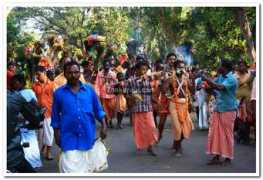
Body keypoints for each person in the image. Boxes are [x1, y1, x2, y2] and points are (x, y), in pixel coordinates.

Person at [51, 61, 107, 173]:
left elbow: (98, 110)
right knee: (70, 171)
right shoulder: (59, 93)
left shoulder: (89, 90)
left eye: (76, 72)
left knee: (87, 171)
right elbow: (55, 117)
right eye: (70, 72)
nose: (73, 75)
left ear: (80, 73)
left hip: (88, 137)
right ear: (65, 74)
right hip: (68, 139)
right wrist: (57, 136)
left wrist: (104, 126)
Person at [203, 59, 238, 166]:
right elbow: (213, 88)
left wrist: (206, 78)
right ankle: (216, 156)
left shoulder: (232, 79)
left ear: (225, 68)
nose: (218, 67)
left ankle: (228, 158)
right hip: (218, 108)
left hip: (228, 109)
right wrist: (204, 87)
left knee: (227, 135)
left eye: (220, 66)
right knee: (215, 133)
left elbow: (219, 87)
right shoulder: (221, 77)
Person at [126, 60, 158, 156]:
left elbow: (159, 76)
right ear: (136, 70)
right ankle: (141, 144)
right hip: (137, 108)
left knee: (151, 127)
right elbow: (127, 95)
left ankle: (150, 146)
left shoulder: (149, 79)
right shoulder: (131, 81)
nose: (144, 71)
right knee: (139, 129)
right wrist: (133, 96)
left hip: (148, 107)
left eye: (145, 69)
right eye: (142, 69)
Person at [11, 74, 42, 169]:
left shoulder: (24, 93)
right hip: (27, 124)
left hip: (25, 123)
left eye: (15, 83)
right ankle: (33, 164)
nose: (13, 85)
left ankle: (31, 165)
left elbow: (34, 107)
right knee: (29, 144)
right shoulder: (28, 92)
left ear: (21, 83)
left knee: (28, 144)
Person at [168, 60, 193, 157]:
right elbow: (163, 88)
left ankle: (176, 142)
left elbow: (192, 90)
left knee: (188, 127)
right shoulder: (171, 78)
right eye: (179, 67)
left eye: (183, 67)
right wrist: (168, 79)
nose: (181, 69)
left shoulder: (186, 78)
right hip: (174, 104)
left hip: (184, 104)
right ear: (174, 68)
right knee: (178, 128)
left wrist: (188, 80)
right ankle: (178, 149)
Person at [32, 66, 55, 160]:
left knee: (49, 133)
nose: (37, 76)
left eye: (39, 74)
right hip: (38, 114)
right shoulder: (34, 86)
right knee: (40, 134)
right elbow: (32, 100)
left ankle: (48, 152)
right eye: (36, 75)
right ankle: (42, 148)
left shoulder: (52, 85)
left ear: (44, 73)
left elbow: (56, 99)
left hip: (49, 113)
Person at [95, 60, 117, 128]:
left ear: (110, 66)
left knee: (112, 108)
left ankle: (110, 120)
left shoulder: (113, 74)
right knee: (105, 109)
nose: (106, 67)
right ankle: (107, 121)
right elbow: (97, 84)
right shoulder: (100, 74)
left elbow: (116, 83)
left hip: (111, 94)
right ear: (103, 66)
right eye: (105, 65)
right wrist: (97, 93)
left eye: (108, 65)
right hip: (103, 94)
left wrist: (112, 79)